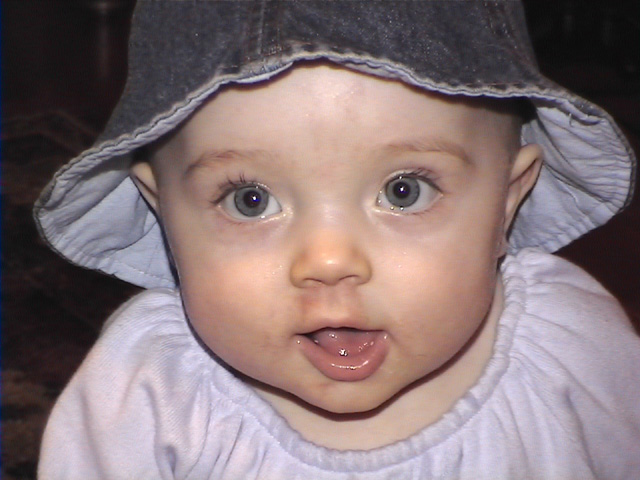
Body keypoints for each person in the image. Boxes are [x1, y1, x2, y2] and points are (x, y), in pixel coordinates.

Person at [36, 1, 640, 478]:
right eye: (251, 200)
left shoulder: (574, 352)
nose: (327, 261)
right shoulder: (147, 393)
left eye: (404, 191)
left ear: (508, 201)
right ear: (163, 210)